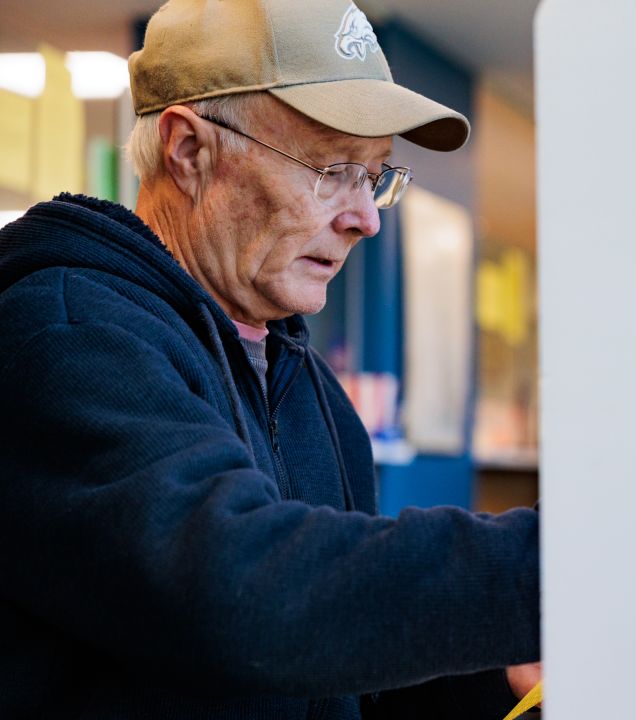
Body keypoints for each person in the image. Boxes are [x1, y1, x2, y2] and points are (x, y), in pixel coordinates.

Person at [0, 0, 541, 717]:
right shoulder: (65, 334)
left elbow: (341, 683)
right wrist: (552, 567)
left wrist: (495, 678)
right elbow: (236, 593)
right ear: (189, 151)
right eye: (331, 169)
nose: (365, 218)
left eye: (375, 175)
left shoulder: (311, 388)